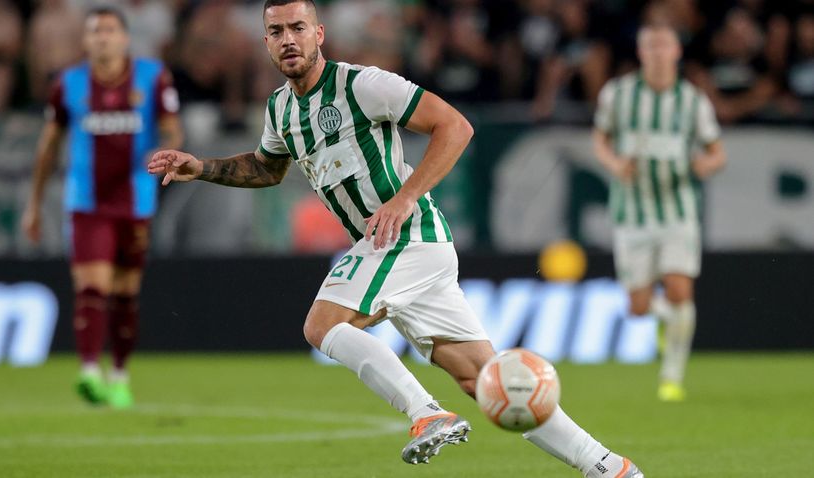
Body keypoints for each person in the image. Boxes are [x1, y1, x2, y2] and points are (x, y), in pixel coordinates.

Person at [149, 1, 642, 475]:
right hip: (401, 249)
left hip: (405, 236)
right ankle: (608, 466)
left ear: (319, 34)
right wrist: (202, 167)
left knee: (322, 325)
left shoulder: (363, 85)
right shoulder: (281, 110)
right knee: (486, 382)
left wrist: (405, 197)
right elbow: (265, 168)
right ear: (266, 43)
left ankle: (426, 412)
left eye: (298, 27)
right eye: (277, 32)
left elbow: (455, 126)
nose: (288, 40)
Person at [22, 6, 183, 409]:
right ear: (85, 40)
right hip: (86, 201)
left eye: (110, 31)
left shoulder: (152, 77)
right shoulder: (68, 84)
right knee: (92, 287)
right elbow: (49, 145)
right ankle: (90, 370)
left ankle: (120, 376)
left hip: (135, 200)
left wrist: (168, 147)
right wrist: (34, 204)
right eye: (95, 32)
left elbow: (172, 127)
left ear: (125, 38)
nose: (102, 38)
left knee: (126, 295)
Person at [592, 23, 726, 402]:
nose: (656, 52)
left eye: (663, 45)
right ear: (640, 52)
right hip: (631, 212)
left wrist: (706, 165)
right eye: (649, 45)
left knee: (681, 289)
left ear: (676, 52)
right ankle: (669, 322)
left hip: (678, 210)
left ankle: (672, 377)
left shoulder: (692, 101)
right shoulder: (617, 95)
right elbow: (600, 139)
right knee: (637, 308)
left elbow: (718, 152)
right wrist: (614, 164)